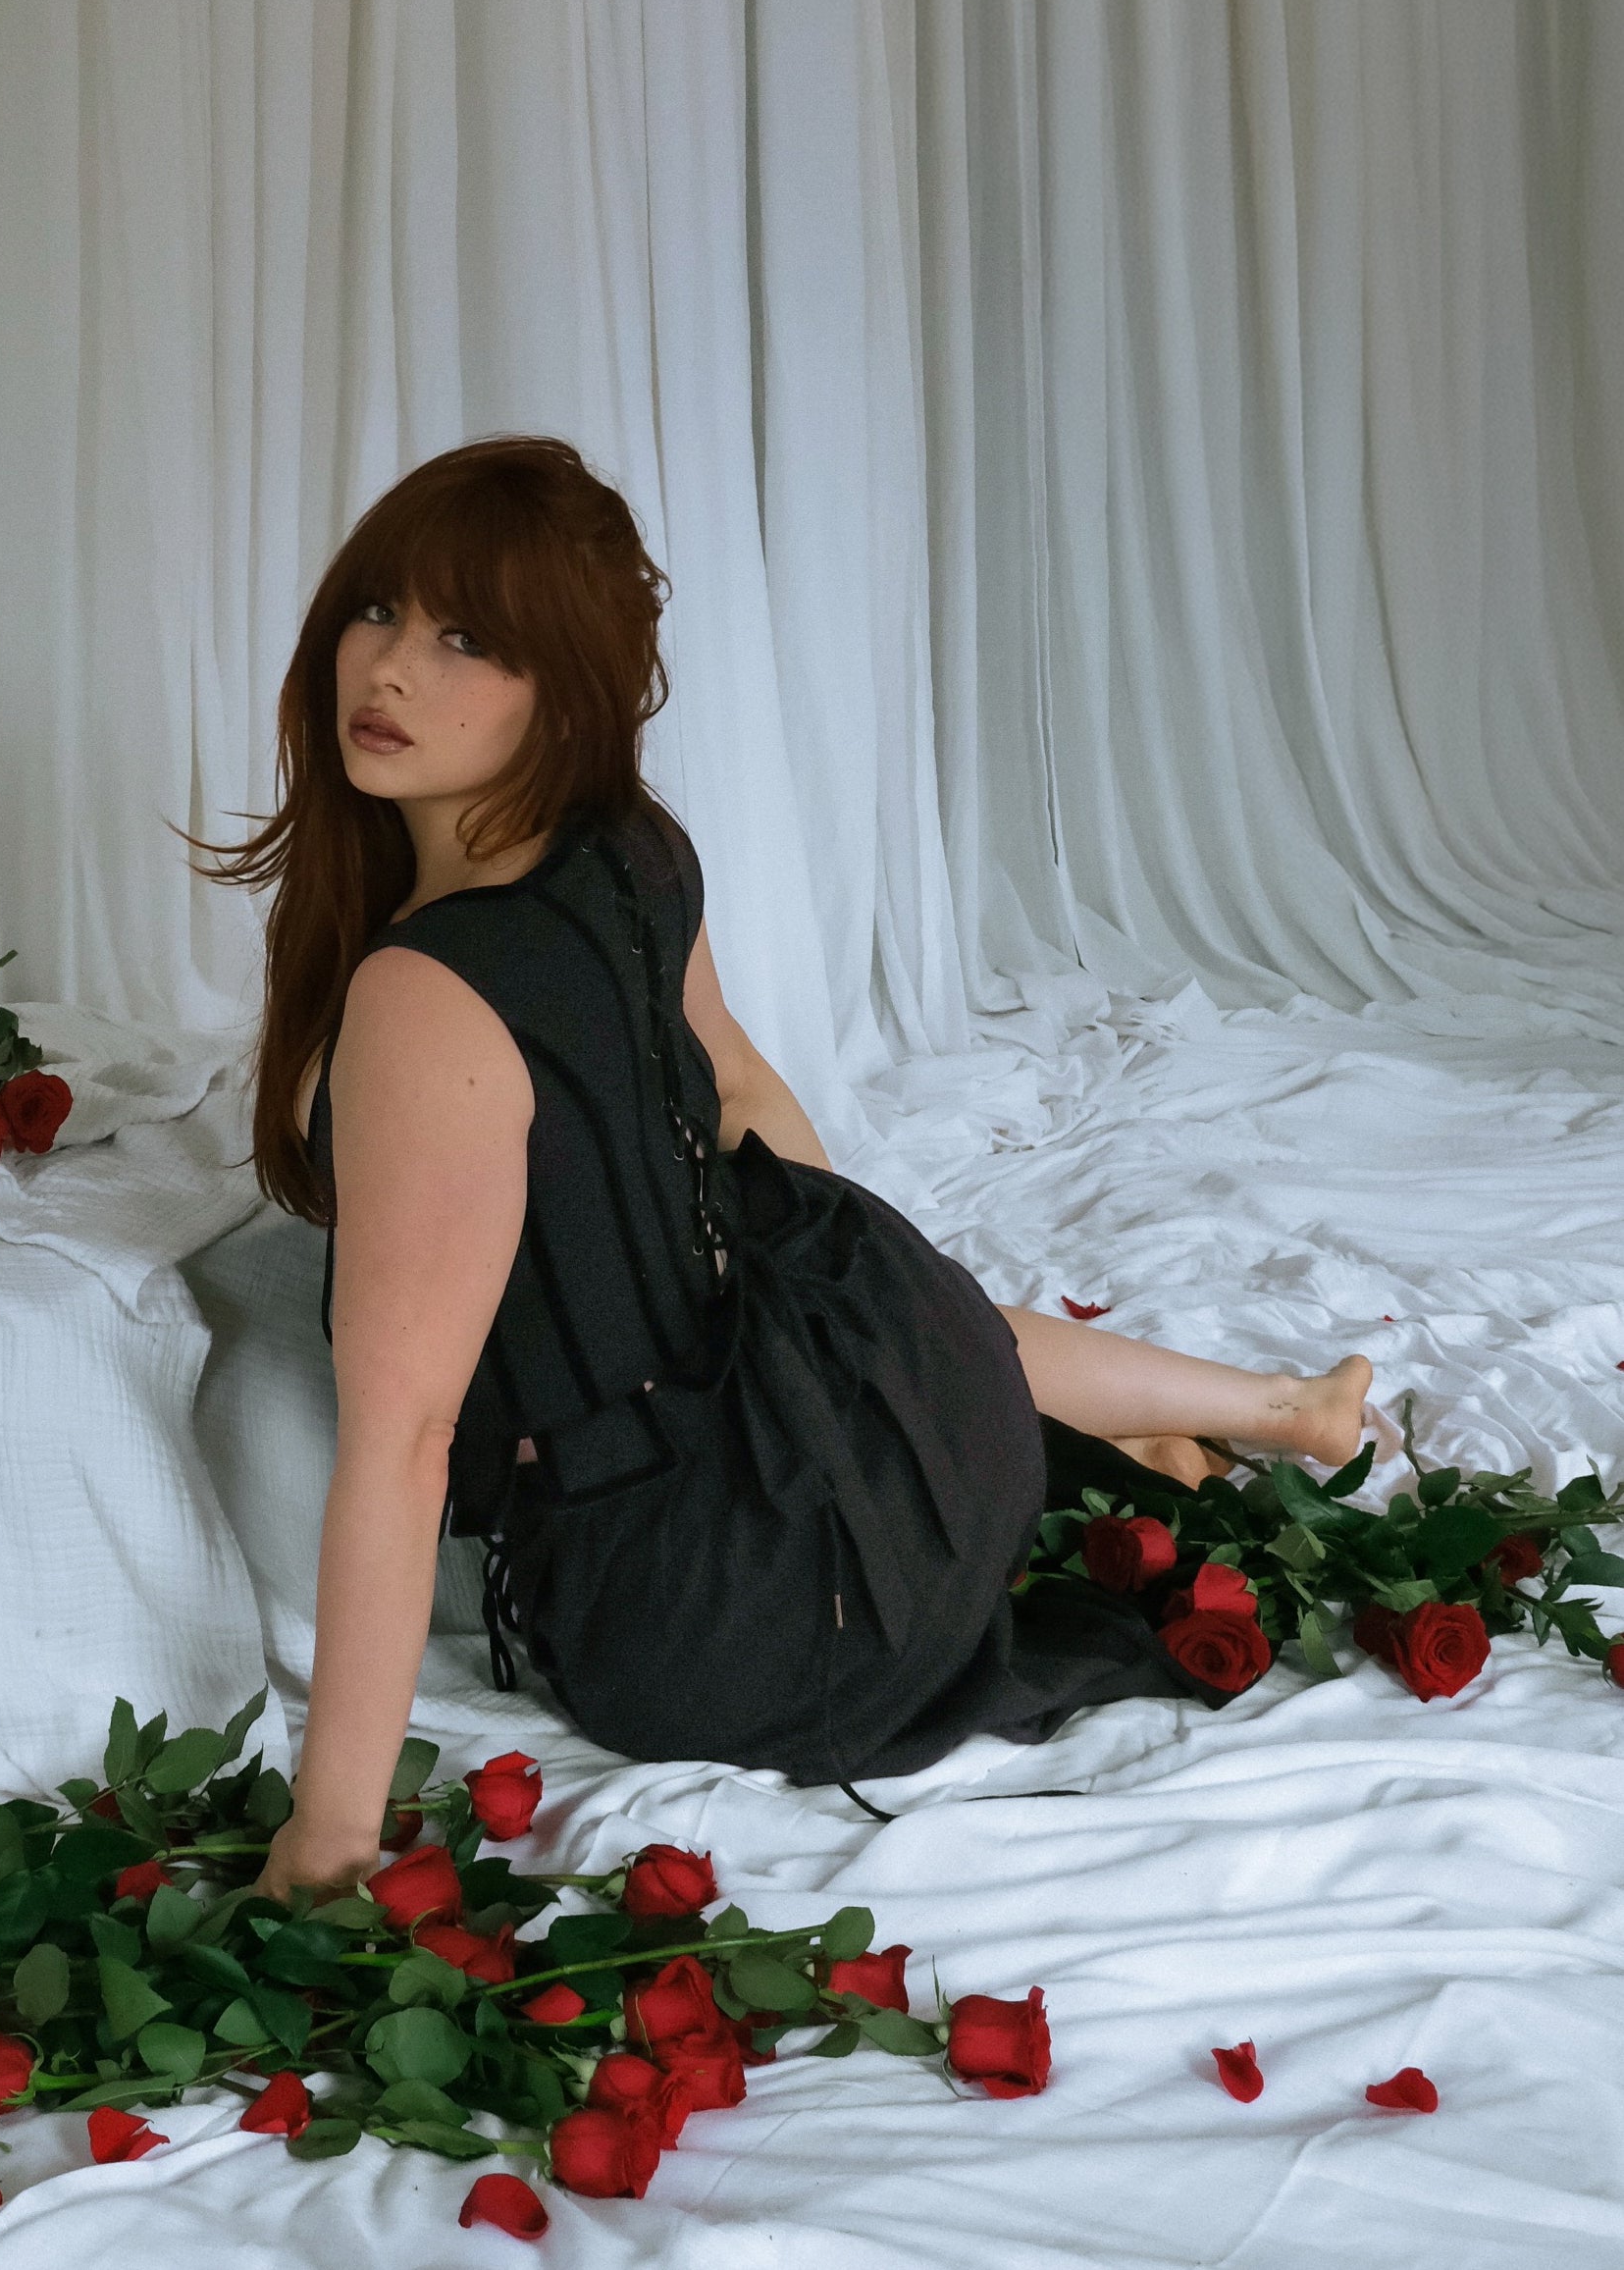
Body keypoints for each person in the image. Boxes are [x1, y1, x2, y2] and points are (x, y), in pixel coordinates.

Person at [183, 434, 1372, 1905]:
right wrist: (894, 1379)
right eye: (379, 611)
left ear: (568, 690)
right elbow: (740, 1089)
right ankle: (1277, 1409)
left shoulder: (431, 991)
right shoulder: (627, 852)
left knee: (874, 1311)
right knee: (880, 1302)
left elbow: (408, 1436)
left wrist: (329, 1844)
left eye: (468, 640)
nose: (390, 671)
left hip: (711, 1618)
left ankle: (1243, 1411)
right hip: (883, 1520)